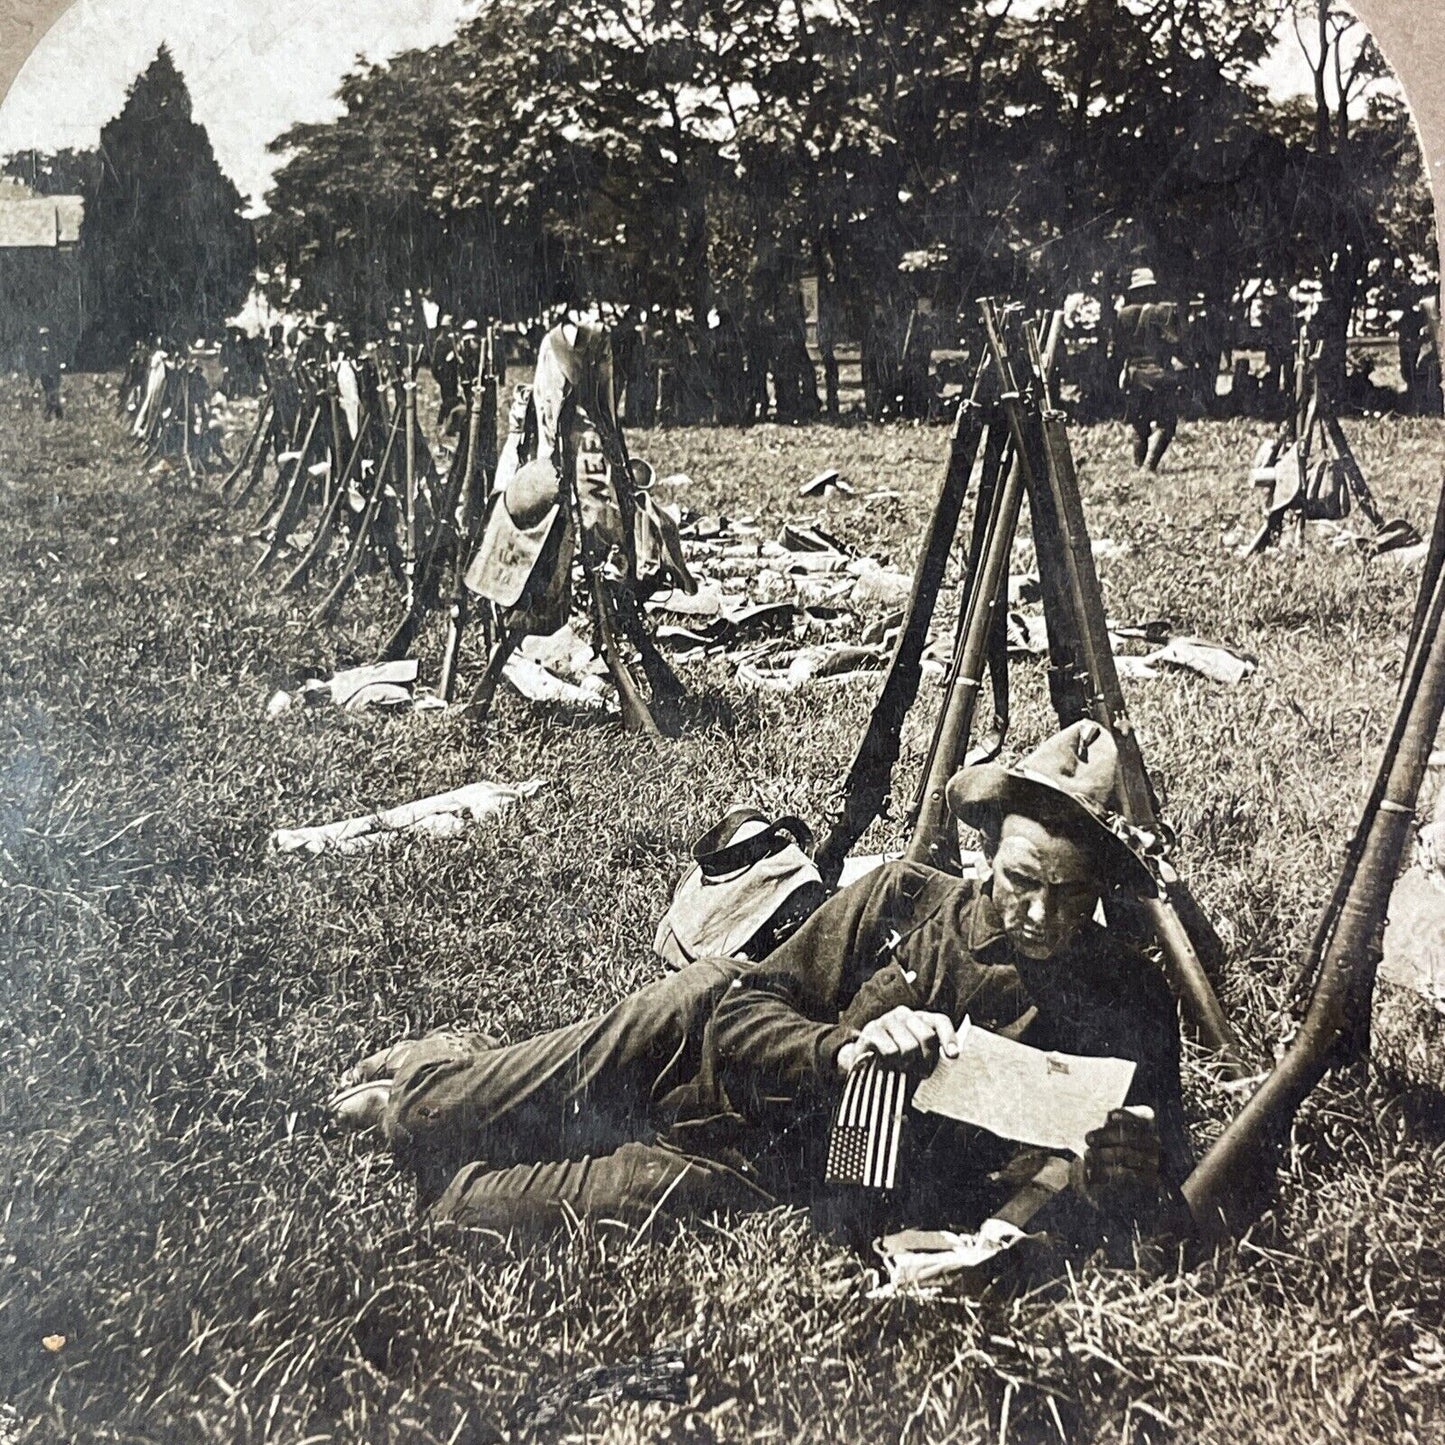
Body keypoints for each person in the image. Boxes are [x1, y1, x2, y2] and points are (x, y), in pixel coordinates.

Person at [329, 722, 1194, 1251]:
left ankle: (488, 1093)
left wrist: (1124, 1177)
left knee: (458, 1211)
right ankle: (440, 1070)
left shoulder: (1129, 1004)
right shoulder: (900, 899)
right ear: (982, 855)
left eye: (1071, 894)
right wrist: (844, 1047)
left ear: (1103, 892)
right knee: (431, 1118)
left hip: (754, 1162)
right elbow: (744, 1008)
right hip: (686, 1035)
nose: (1042, 914)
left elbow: (1153, 1169)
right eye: (1020, 881)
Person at [1112, 267, 1186, 471]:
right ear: (1152, 289)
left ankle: (1138, 466)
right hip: (1158, 374)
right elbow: (1176, 342)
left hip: (1134, 374)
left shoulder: (1123, 315)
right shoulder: (1162, 311)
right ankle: (1148, 466)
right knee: (1167, 422)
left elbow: (1118, 350)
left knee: (1139, 422)